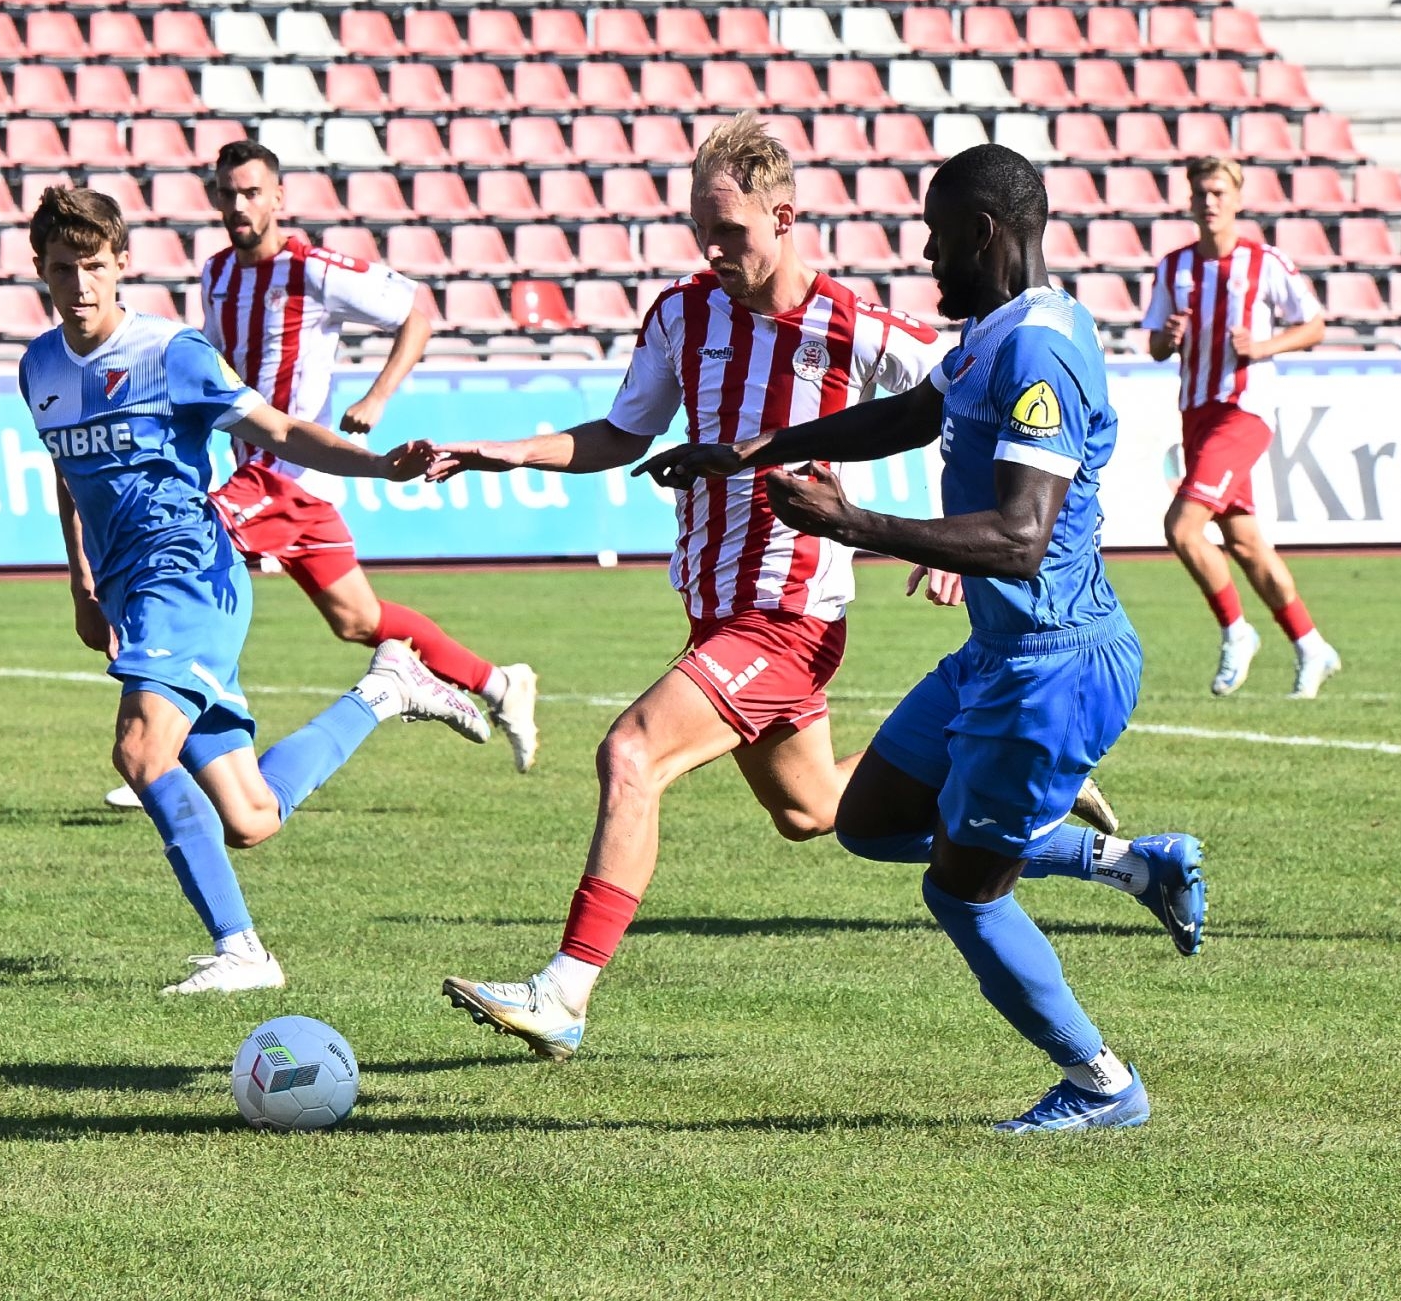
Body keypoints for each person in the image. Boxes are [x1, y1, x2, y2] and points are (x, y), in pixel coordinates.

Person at [429, 115, 1117, 1065]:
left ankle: (565, 991)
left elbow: (959, 410)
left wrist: (950, 543)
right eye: (700, 231)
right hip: (715, 610)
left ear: (784, 218)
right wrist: (507, 451)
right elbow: (623, 432)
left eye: (730, 231)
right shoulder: (681, 316)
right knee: (818, 811)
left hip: (789, 617)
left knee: (631, 753)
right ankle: (1088, 839)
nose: (712, 250)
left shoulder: (857, 324)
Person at [640, 144, 1208, 1132]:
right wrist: (755, 451)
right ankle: (1134, 864)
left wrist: (852, 523)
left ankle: (1101, 1083)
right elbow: (908, 413)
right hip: (998, 659)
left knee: (963, 892)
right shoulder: (996, 332)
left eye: (938, 236)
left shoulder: (1040, 352)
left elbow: (1022, 539)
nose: (926, 253)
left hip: (1053, 669)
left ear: (984, 233)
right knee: (866, 820)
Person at [23, 186, 490, 994]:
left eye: (94, 265)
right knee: (250, 817)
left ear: (123, 263)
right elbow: (68, 473)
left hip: (189, 576)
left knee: (139, 750)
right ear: (41, 270)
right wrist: (81, 584)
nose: (80, 285)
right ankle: (386, 688)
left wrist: (378, 465)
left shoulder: (170, 353)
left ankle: (242, 950)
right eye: (63, 269)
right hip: (132, 593)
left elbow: (277, 429)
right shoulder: (38, 365)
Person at [96, 140, 537, 812]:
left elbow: (416, 314)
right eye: (227, 193)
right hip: (269, 478)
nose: (239, 205)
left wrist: (377, 397)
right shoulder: (217, 273)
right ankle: (500, 682)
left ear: (278, 197)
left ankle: (166, 751)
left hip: (289, 473)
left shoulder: (312, 268)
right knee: (360, 620)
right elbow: (217, 365)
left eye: (251, 192)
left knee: (179, 560)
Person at [1142, 156, 1336, 698]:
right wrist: (1168, 339)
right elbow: (1154, 346)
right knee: (1245, 544)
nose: (1210, 202)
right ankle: (1311, 645)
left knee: (1182, 528)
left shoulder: (1264, 262)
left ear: (1237, 199)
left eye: (1219, 192)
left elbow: (1315, 324)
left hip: (1244, 411)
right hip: (1196, 413)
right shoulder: (1174, 266)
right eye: (1201, 193)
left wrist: (1265, 346)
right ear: (1189, 201)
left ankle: (1236, 631)